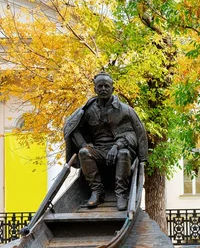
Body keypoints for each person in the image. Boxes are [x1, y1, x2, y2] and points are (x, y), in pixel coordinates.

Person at [63, 72, 148, 210]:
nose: (103, 89)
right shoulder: (88, 111)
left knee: (124, 154)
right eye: (100, 86)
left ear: (112, 89)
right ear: (95, 89)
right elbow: (73, 128)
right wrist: (83, 144)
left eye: (106, 86)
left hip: (120, 148)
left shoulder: (125, 110)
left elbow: (136, 133)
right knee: (84, 152)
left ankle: (121, 194)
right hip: (99, 150)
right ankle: (97, 191)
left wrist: (119, 146)